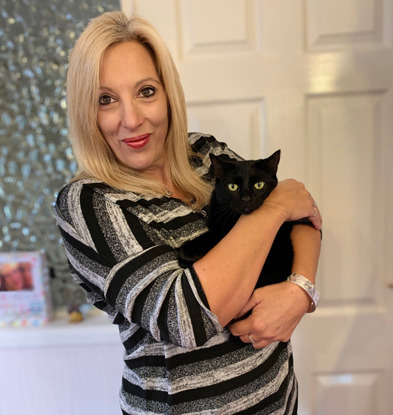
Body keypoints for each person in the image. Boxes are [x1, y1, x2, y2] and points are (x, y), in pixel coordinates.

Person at [52, 11, 322, 415]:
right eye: (106, 99)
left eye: (146, 91)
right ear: (85, 112)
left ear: (168, 93)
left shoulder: (206, 153)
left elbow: (306, 217)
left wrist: (301, 289)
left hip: (279, 399)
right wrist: (275, 208)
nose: (131, 119)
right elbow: (187, 318)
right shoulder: (88, 203)